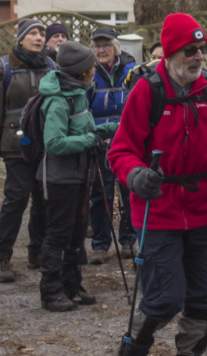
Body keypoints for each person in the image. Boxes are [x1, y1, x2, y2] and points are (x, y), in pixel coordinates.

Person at [108, 12, 207, 355]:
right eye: (190, 50)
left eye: (202, 49)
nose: (199, 57)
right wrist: (136, 175)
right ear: (170, 54)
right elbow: (121, 151)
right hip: (158, 209)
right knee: (163, 299)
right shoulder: (146, 91)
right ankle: (134, 347)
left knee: (204, 298)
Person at [35, 41, 118, 311]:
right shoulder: (59, 100)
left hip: (80, 175)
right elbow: (55, 143)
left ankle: (72, 285)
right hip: (60, 178)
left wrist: (110, 129)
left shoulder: (79, 93)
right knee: (58, 234)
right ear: (81, 71)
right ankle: (51, 291)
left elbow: (86, 129)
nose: (95, 68)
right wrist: (90, 140)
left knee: (76, 233)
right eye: (91, 65)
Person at [0, 19, 54, 282]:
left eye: (42, 34)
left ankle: (37, 252)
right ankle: (0, 258)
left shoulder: (51, 66)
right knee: (16, 200)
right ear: (20, 39)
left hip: (47, 144)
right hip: (16, 146)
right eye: (32, 34)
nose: (38, 38)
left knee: (44, 199)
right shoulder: (5, 68)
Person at [87, 26, 137, 264]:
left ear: (116, 47)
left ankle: (128, 239)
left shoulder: (131, 69)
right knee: (100, 194)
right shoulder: (88, 72)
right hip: (99, 141)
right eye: (97, 46)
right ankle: (100, 244)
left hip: (127, 140)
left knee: (129, 191)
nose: (101, 50)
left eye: (105, 45)